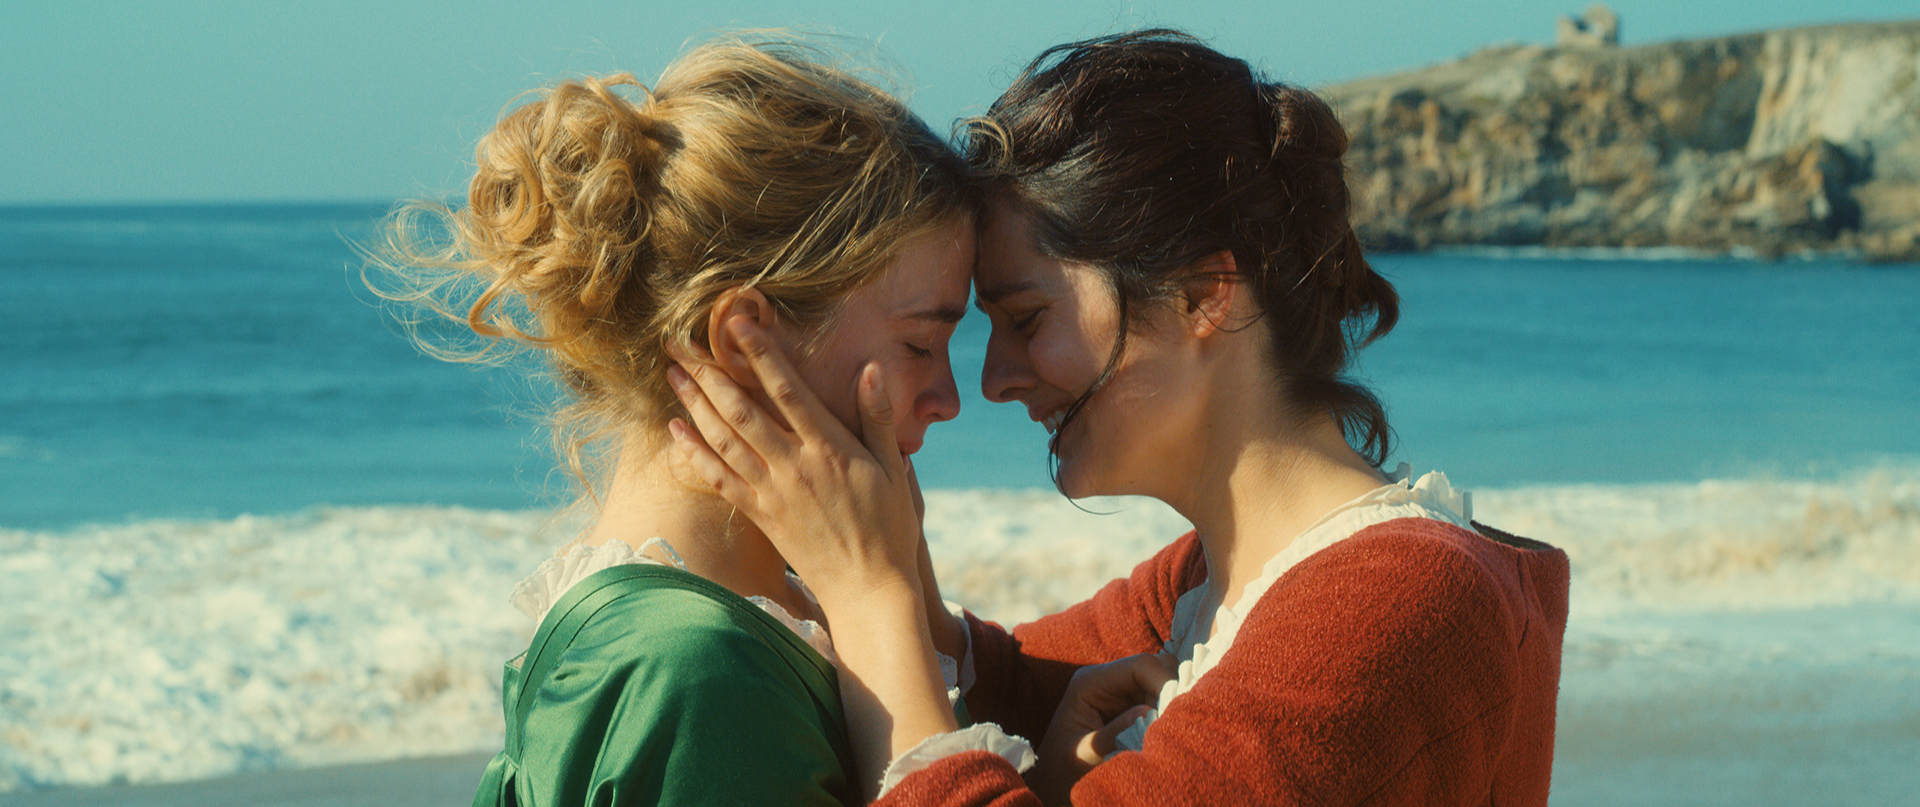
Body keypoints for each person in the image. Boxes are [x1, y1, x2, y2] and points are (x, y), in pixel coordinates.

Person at [667, 30, 1571, 806]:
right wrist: (890, 558)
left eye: (1026, 321)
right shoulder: (1198, 585)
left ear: (1200, 295)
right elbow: (1013, 680)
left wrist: (871, 597)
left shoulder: (1393, 603)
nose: (993, 380)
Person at [369, 35, 981, 806]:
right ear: (743, 341)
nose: (949, 398)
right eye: (921, 342)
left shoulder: (755, 621)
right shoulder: (696, 675)